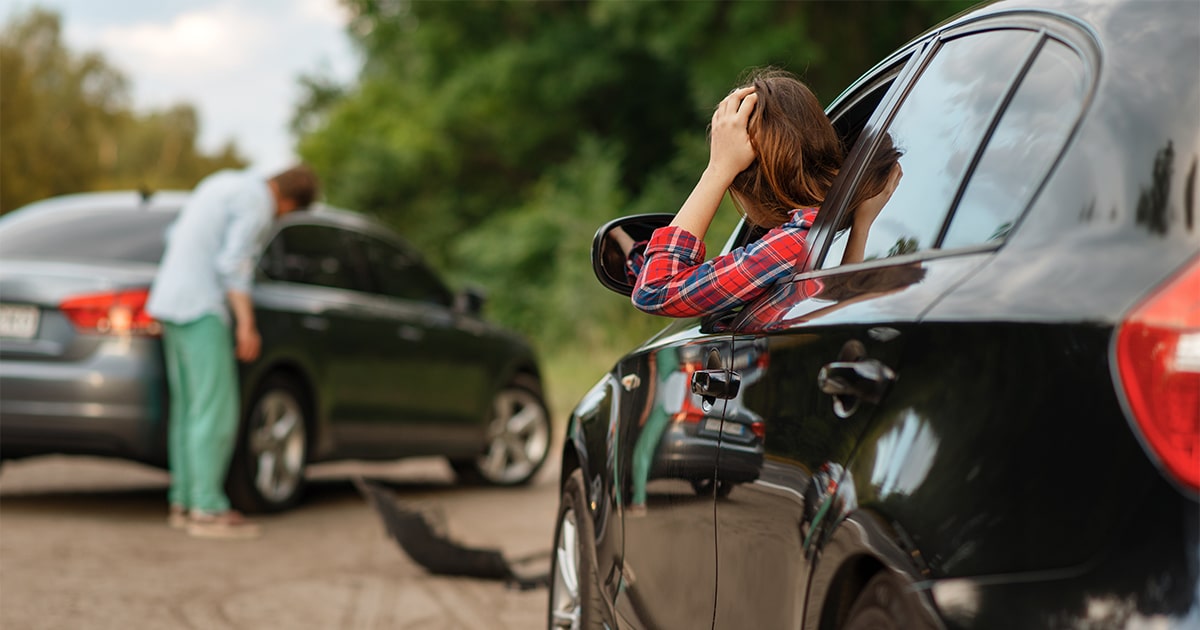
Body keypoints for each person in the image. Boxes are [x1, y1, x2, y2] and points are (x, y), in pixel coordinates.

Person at [631, 68, 902, 318]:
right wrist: (862, 226)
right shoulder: (828, 229)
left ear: (744, 184)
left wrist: (717, 170)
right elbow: (840, 307)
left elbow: (654, 290)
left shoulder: (794, 243)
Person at [147, 165, 319, 539]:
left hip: (169, 301)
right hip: (202, 307)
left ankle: (184, 500)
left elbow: (174, 234)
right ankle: (207, 508)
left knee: (189, 410)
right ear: (289, 202)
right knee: (216, 410)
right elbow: (233, 264)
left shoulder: (221, 183)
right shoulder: (257, 203)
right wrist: (246, 324)